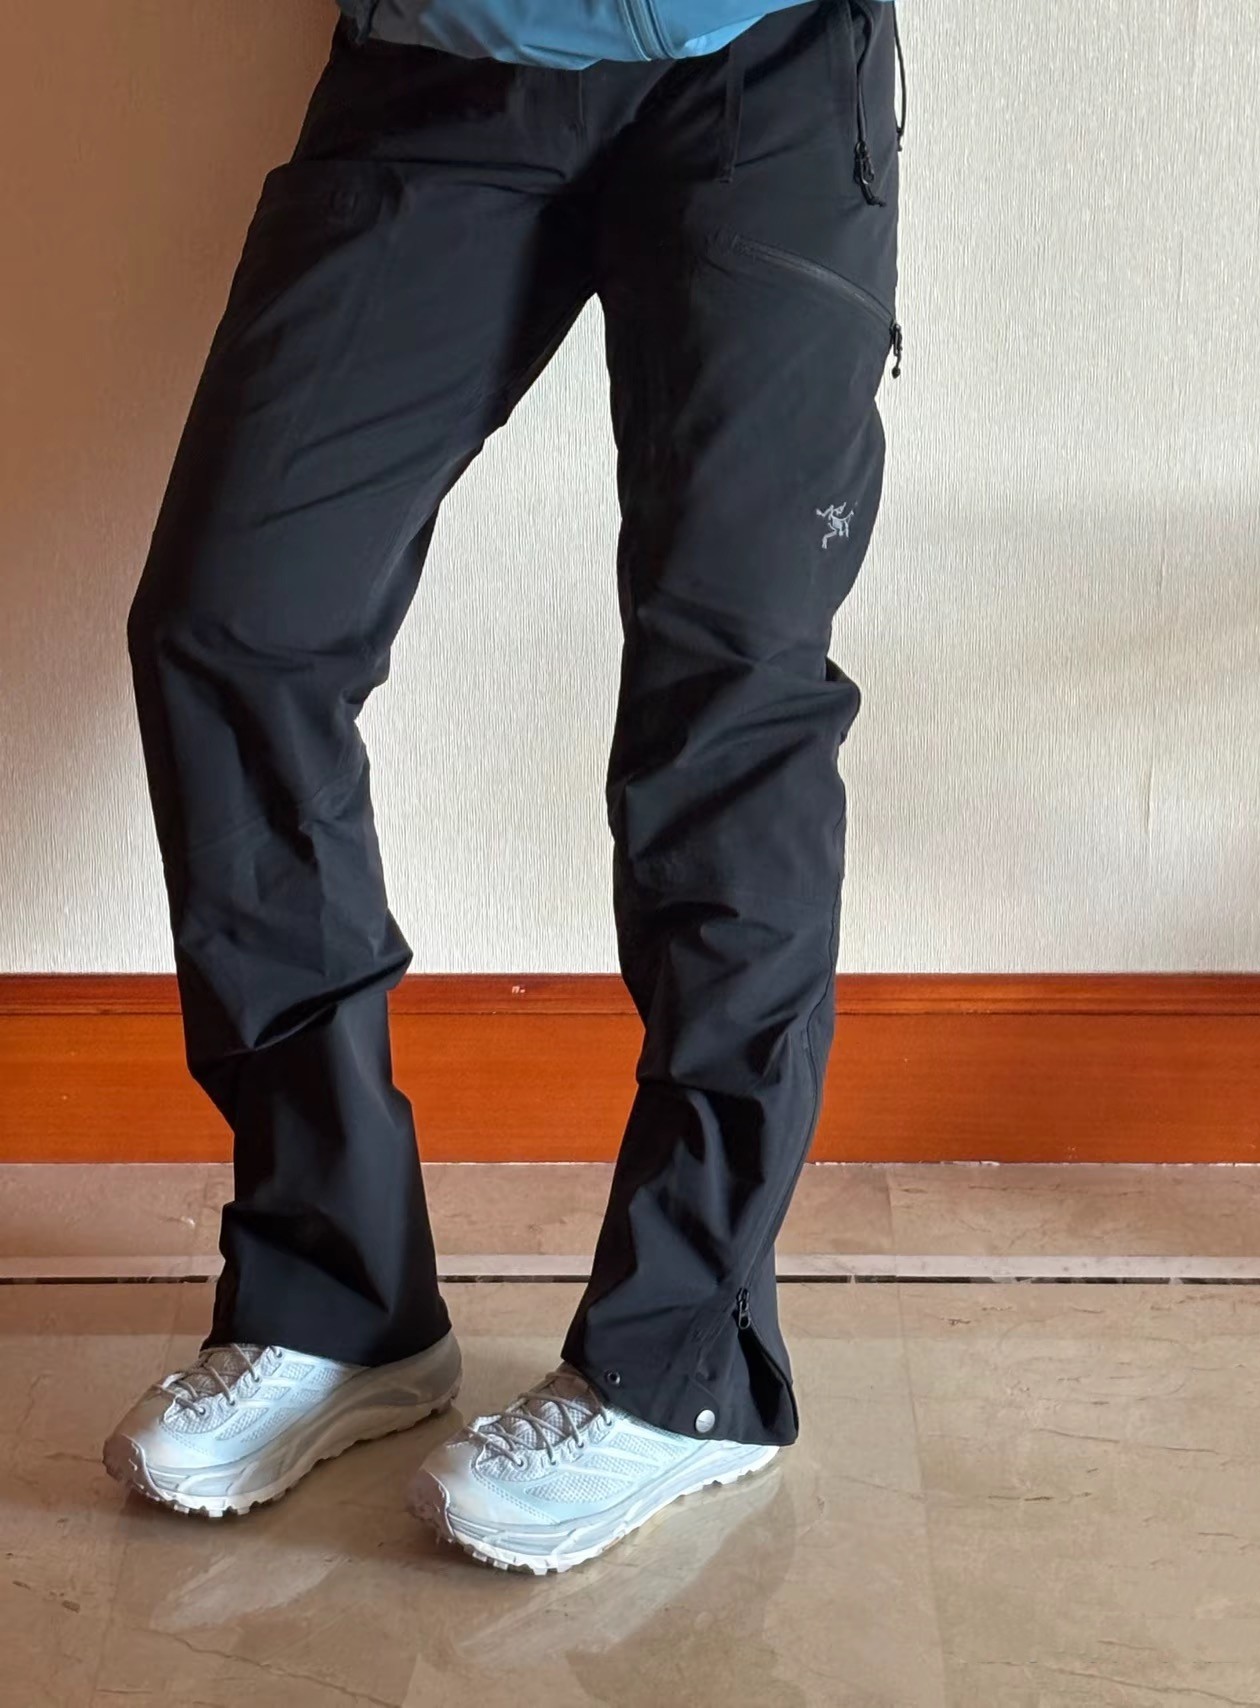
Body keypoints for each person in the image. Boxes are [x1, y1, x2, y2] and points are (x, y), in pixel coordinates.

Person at [102, 0, 905, 1575]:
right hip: (442, 58)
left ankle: (686, 1361)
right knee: (232, 629)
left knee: (729, 698)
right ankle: (336, 1296)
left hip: (762, 72)